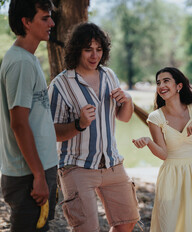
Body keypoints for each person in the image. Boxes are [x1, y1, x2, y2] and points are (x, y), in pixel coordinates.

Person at [48, 22, 140, 232]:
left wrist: (127, 100)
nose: (94, 55)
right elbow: (52, 132)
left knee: (127, 222)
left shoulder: (109, 75)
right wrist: (79, 124)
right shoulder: (60, 85)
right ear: (76, 50)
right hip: (76, 166)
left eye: (98, 50)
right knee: (86, 229)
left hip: (112, 162)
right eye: (88, 49)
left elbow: (124, 118)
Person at [132, 67, 192, 232]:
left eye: (166, 81)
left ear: (179, 86)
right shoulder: (155, 117)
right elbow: (163, 154)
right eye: (158, 82)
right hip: (171, 174)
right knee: (168, 223)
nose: (161, 85)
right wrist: (149, 142)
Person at [0, 0, 58, 231]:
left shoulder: (29, 59)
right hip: (28, 176)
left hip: (36, 171)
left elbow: (36, 120)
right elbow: (19, 124)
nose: (52, 23)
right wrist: (39, 176)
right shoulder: (21, 62)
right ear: (26, 22)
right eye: (45, 18)